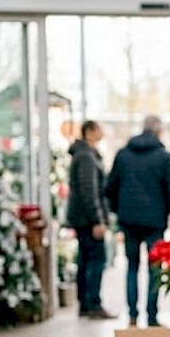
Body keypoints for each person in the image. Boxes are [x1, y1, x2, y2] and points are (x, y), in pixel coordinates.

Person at [104, 115, 170, 327]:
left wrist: (117, 210)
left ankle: (131, 314)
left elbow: (109, 187)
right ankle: (151, 315)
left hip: (128, 220)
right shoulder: (164, 157)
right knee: (154, 268)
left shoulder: (122, 155)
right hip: (155, 221)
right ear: (158, 131)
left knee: (131, 266)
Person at [64, 120, 115, 319]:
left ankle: (86, 302)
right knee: (95, 259)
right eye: (99, 129)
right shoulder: (86, 157)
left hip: (82, 218)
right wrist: (97, 219)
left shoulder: (84, 154)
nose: (102, 132)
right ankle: (92, 302)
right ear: (90, 132)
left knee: (86, 259)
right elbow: (89, 190)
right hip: (88, 219)